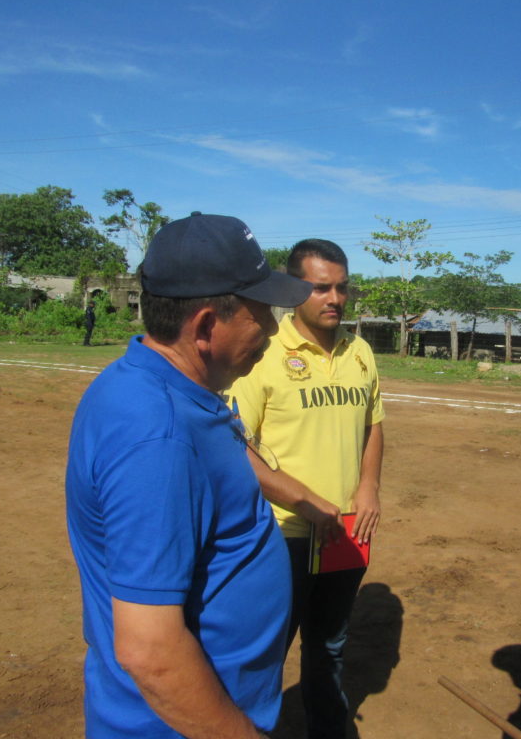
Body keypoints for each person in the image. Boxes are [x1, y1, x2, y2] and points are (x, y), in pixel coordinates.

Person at [65, 212, 312, 738]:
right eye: (261, 312)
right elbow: (150, 650)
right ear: (204, 326)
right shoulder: (158, 436)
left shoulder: (163, 389)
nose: (273, 329)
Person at [231, 238, 385, 739]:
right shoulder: (263, 351)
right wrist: (306, 503)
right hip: (283, 534)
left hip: (345, 531)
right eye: (321, 288)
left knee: (330, 643)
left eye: (341, 287)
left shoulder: (359, 351)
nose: (334, 298)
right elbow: (237, 448)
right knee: (268, 650)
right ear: (295, 289)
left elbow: (373, 425)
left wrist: (368, 489)